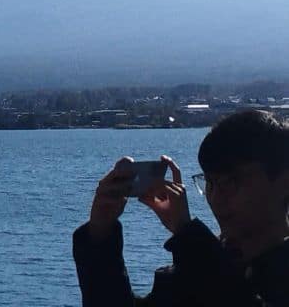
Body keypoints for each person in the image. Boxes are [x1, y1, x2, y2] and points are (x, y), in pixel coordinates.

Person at [73, 109, 289, 306]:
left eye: (232, 182)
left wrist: (188, 237)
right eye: (210, 182)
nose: (216, 197)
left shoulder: (200, 265)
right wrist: (100, 235)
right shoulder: (193, 269)